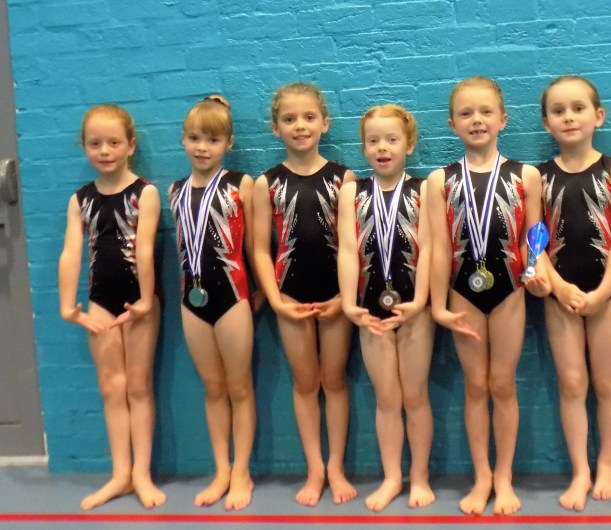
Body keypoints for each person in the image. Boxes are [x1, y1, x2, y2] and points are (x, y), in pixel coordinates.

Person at [426, 76, 543, 516]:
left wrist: (535, 271)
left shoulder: (525, 175)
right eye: (466, 113)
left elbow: (534, 234)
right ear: (452, 124)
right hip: (463, 292)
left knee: (502, 384)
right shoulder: (440, 180)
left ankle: (505, 476)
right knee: (475, 385)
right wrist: (438, 305)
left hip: (511, 290)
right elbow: (439, 248)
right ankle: (482, 476)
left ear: (503, 119)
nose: (476, 120)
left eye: (485, 112)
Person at [252, 82, 357, 507]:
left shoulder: (343, 178)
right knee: (305, 381)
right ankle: (315, 468)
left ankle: (336, 466)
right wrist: (276, 299)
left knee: (334, 379)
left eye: (309, 117)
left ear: (324, 123)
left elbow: (353, 245)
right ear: (275, 128)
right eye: (289, 119)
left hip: (336, 294)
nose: (300, 126)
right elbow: (260, 249)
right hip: (290, 294)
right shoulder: (267, 183)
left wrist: (345, 298)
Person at [536, 75, 611, 512]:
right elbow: (534, 239)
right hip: (561, 296)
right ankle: (580, 471)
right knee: (572, 383)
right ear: (546, 123)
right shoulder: (539, 176)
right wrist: (558, 287)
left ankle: (606, 464)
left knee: (607, 382)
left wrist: (605, 290)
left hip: (607, 294)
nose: (569, 117)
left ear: (598, 116)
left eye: (578, 108)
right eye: (558, 111)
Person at [58, 104, 165, 510]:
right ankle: (120, 474)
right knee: (111, 387)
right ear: (84, 146)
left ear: (131, 145)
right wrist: (67, 306)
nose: (105, 151)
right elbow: (71, 252)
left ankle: (142, 473)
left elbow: (145, 248)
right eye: (95, 143)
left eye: (114, 142)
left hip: (139, 301)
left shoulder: (144, 193)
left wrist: (144, 301)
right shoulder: (81, 199)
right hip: (100, 301)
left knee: (138, 386)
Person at [337, 104, 435, 512]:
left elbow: (430, 248)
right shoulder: (352, 192)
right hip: (368, 308)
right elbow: (346, 249)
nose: (382, 148)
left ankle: (420, 476)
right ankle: (393, 476)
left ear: (409, 145)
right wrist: (348, 303)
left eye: (392, 140)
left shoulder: (425, 190)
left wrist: (422, 300)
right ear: (363, 148)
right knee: (387, 397)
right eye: (373, 141)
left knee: (415, 394)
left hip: (414, 307)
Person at [168, 95, 256, 511]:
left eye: (213, 139)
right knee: (214, 388)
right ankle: (221, 469)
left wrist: (260, 294)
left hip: (233, 296)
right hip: (192, 300)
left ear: (228, 143)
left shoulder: (241, 185)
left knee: (239, 387)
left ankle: (242, 472)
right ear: (183, 140)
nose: (202, 147)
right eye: (194, 138)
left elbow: (255, 248)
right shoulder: (174, 191)